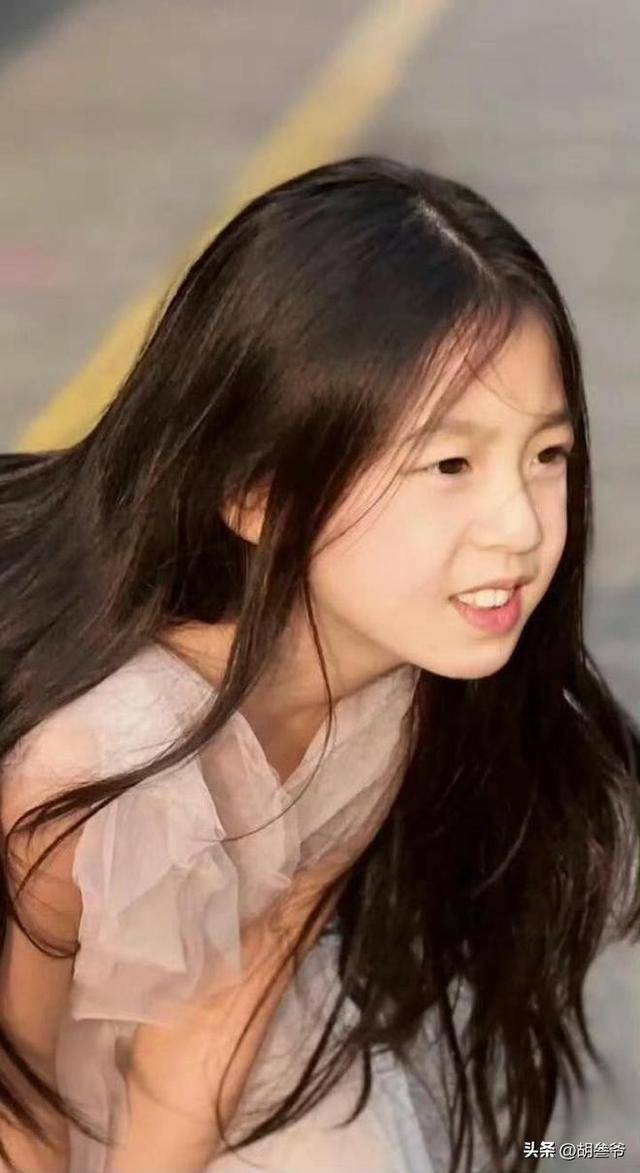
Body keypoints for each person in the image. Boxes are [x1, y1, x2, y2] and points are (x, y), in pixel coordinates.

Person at [0, 156, 638, 1173]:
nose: (520, 527)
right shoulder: (87, 771)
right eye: (450, 464)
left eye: (545, 455)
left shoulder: (386, 697)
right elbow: (15, 1083)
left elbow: (221, 1015)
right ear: (255, 495)